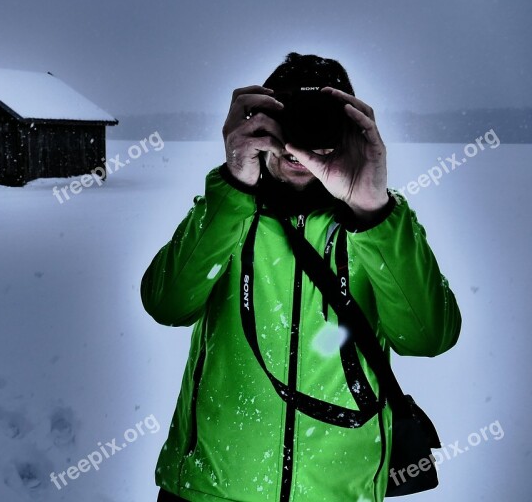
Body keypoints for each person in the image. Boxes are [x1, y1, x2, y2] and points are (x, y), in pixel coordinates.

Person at [140, 53, 461, 502]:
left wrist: (372, 210)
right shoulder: (229, 213)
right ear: (259, 122)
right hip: (211, 489)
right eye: (288, 119)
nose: (303, 141)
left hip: (337, 492)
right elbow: (167, 305)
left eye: (323, 122)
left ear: (350, 129)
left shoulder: (376, 227)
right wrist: (235, 183)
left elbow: (429, 336)